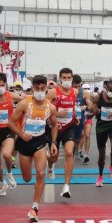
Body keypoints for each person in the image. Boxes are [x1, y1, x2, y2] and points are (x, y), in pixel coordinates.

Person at [9, 75, 58, 222]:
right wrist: (21, 134)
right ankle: (35, 185)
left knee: (41, 173)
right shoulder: (24, 104)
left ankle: (35, 207)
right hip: (24, 143)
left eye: (43, 89)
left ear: (47, 89)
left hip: (40, 142)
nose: (40, 92)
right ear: (32, 88)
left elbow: (54, 125)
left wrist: (53, 142)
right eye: (37, 89)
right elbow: (10, 122)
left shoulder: (51, 107)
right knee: (27, 178)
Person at [48, 68, 89, 199]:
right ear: (60, 78)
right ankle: (50, 166)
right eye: (64, 78)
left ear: (72, 78)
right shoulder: (53, 92)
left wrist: (74, 116)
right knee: (53, 157)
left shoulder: (75, 92)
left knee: (69, 152)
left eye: (68, 78)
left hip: (68, 126)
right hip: (55, 127)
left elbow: (72, 107)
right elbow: (45, 108)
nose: (66, 80)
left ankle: (66, 186)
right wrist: (57, 113)